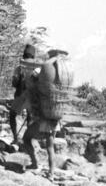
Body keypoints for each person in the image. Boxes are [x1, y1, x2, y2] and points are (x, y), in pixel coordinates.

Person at [22, 47, 73, 177]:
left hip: (43, 119)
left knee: (26, 138)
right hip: (55, 118)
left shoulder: (45, 68)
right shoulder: (64, 71)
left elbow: (33, 80)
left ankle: (35, 163)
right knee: (50, 148)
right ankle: (51, 173)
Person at [7, 43, 42, 142]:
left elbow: (14, 83)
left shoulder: (20, 67)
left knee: (12, 115)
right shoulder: (38, 68)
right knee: (30, 118)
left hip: (21, 96)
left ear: (24, 54)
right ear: (33, 55)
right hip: (33, 98)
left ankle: (15, 138)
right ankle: (28, 140)